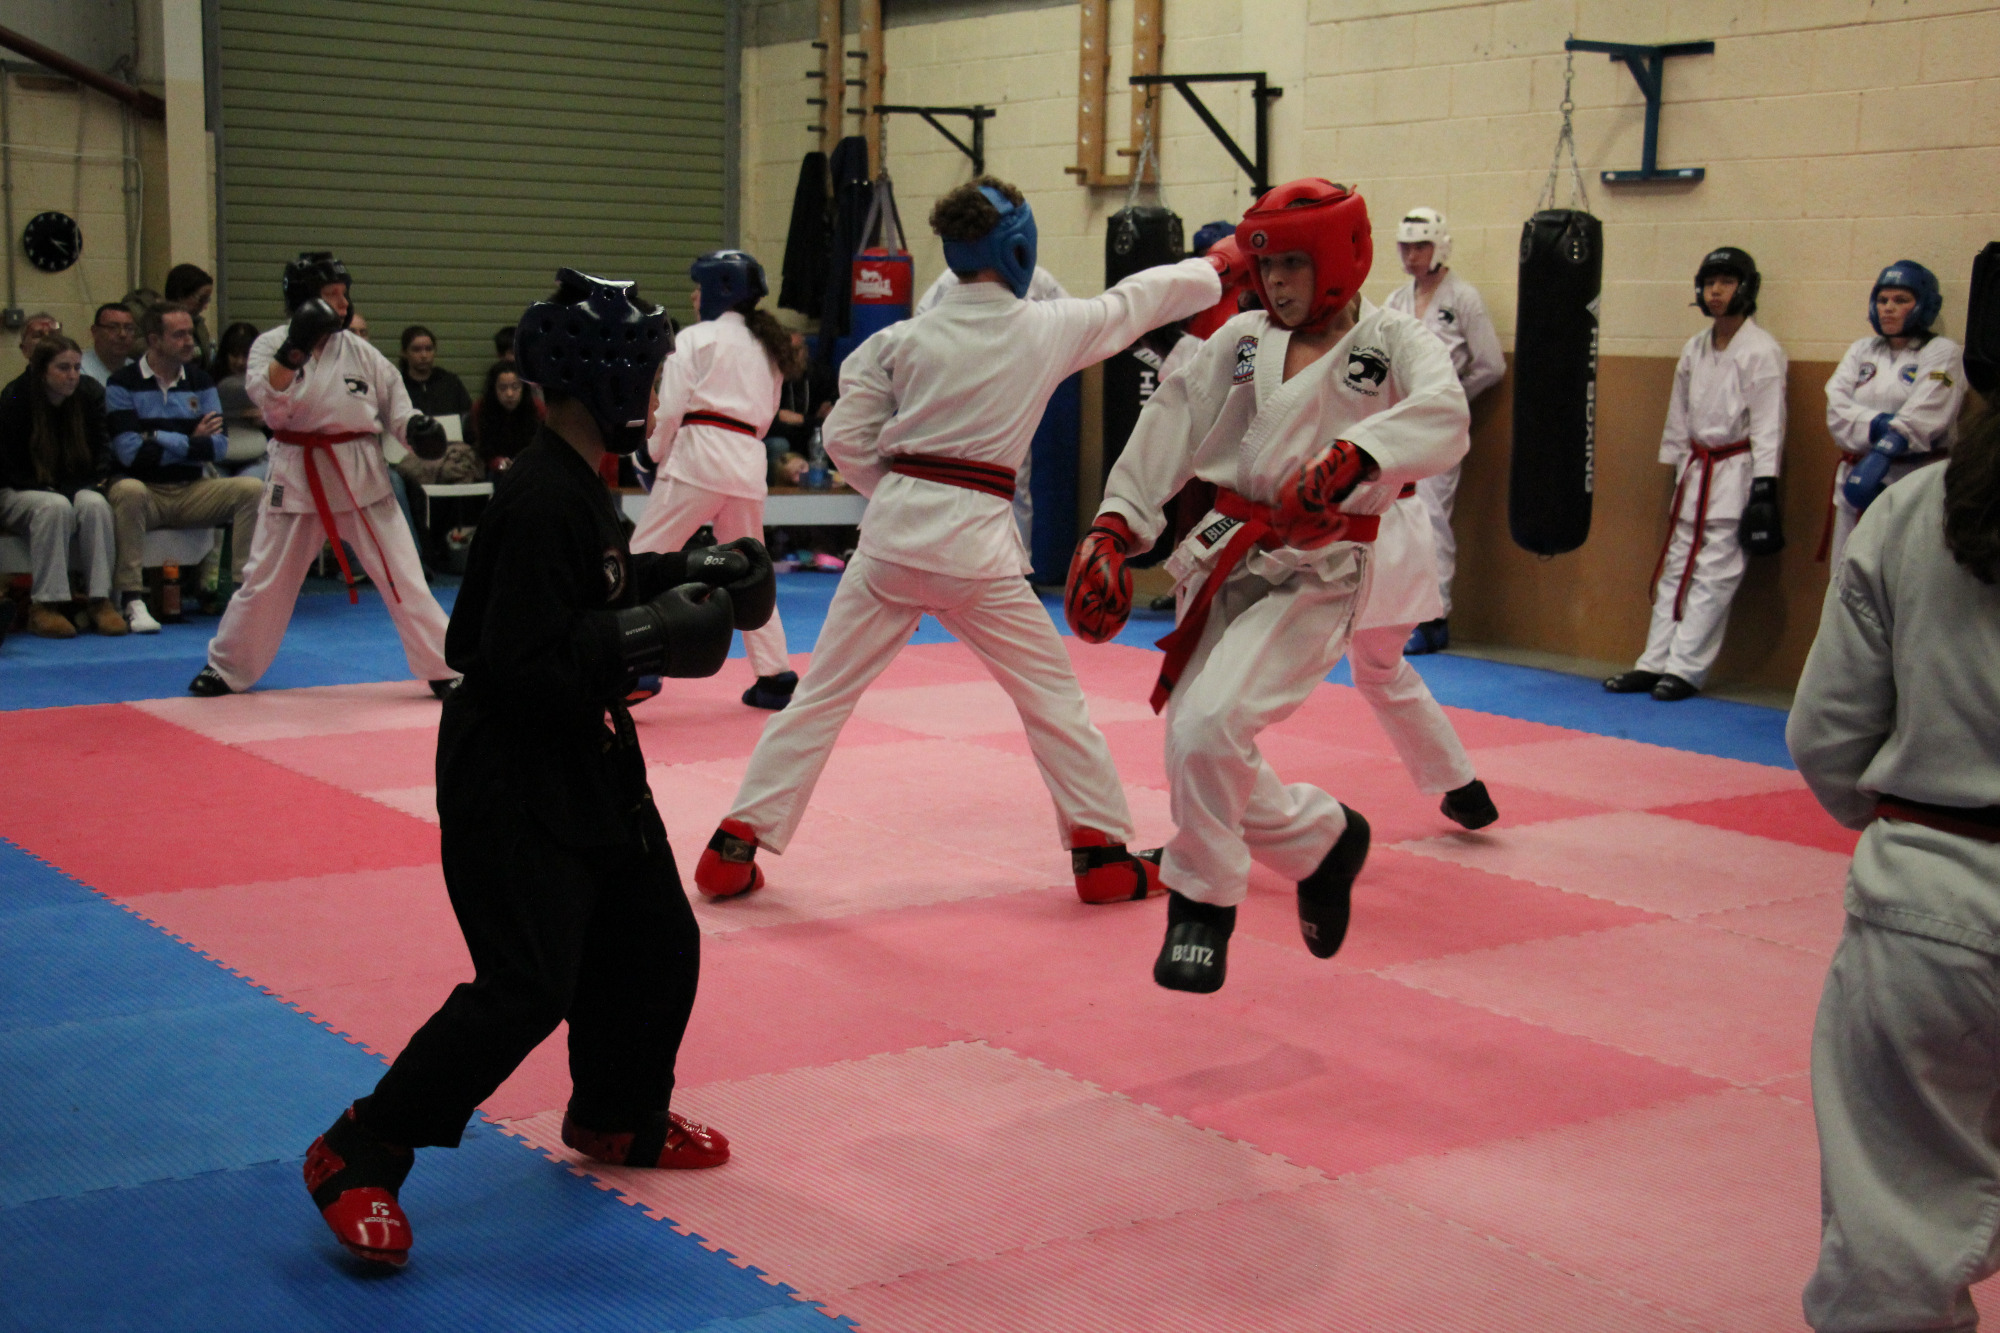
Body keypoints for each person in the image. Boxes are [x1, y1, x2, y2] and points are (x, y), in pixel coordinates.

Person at [302, 269, 771, 1271]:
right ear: (604, 379)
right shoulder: (538, 494)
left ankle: (614, 1113)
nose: (656, 395)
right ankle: (361, 1147)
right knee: (526, 984)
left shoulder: (580, 479)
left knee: (655, 939)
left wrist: (688, 572)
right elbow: (503, 657)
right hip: (513, 769)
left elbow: (597, 585)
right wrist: (646, 632)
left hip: (587, 750)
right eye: (648, 377)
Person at [690, 177, 1224, 907]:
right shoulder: (1044, 327)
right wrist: (1217, 267)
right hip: (977, 553)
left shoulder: (896, 341)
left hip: (889, 545)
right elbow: (1137, 301)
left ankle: (733, 844)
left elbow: (843, 439)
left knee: (818, 697)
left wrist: (902, 492)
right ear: (1018, 248)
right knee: (1052, 700)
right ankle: (1100, 851)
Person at [1072, 179, 1469, 994]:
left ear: (1340, 260)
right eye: (1268, 267)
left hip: (1319, 569)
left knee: (1209, 726)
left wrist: (1362, 453)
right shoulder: (1243, 339)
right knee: (1195, 742)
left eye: (1294, 264)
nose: (1277, 282)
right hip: (1225, 550)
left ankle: (1203, 903)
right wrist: (1117, 524)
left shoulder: (1394, 340)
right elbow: (1171, 415)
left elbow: (1446, 414)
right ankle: (1322, 840)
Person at [1787, 406, 2000, 1333]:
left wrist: (1900, 829)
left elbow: (1826, 732)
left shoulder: (1917, 508)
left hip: (1933, 899)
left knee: (1895, 1245)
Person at [190, 252, 454, 696]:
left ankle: (445, 667)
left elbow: (397, 409)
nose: (344, 304)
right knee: (264, 581)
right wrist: (295, 347)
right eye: (333, 295)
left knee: (405, 576)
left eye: (345, 294)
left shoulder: (362, 353)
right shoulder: (270, 346)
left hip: (360, 477)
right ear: (306, 300)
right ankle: (227, 666)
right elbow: (268, 399)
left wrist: (417, 431)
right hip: (297, 475)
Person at [1604, 248, 1788, 702]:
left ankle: (1686, 668)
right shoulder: (1694, 347)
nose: (1716, 291)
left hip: (1736, 471)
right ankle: (1653, 661)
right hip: (1696, 469)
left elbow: (1769, 422)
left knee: (1714, 575)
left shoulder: (1762, 351)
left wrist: (1766, 485)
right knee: (1676, 569)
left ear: (1746, 288)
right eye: (1709, 283)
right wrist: (1676, 468)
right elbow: (1678, 416)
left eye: (1726, 282)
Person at [629, 250, 805, 709]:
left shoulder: (696, 338)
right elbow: (768, 414)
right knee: (751, 572)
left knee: (641, 559)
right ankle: (775, 675)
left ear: (719, 289)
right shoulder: (768, 347)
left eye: (699, 287)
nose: (694, 296)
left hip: (698, 460)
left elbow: (670, 408)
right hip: (747, 462)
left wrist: (649, 454)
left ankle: (634, 666)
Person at [1382, 207, 1503, 655]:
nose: (1412, 255)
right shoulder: (1396, 300)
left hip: (1439, 424)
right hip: (1399, 421)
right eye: (1406, 246)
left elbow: (1491, 364)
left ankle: (1435, 618)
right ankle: (1398, 614)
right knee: (1396, 517)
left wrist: (1450, 398)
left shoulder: (1463, 298)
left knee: (1432, 517)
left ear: (1440, 247)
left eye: (1421, 247)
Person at [105, 303, 265, 633]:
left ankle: (243, 592)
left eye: (190, 333)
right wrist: (191, 441)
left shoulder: (200, 381)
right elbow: (131, 455)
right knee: (128, 489)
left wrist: (158, 436)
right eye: (179, 335)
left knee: (251, 489)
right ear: (154, 340)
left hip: (192, 491)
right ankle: (132, 598)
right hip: (147, 492)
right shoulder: (122, 383)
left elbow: (218, 447)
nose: (190, 341)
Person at [916, 259, 1071, 556]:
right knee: (959, 485)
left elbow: (1069, 316)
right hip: (962, 392)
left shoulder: (1035, 278)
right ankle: (955, 563)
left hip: (1013, 391)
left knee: (1014, 485)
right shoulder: (953, 278)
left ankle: (1017, 567)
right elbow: (921, 322)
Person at [1823, 260, 1967, 570]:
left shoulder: (1941, 351)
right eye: (1882, 299)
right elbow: (1836, 407)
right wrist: (1878, 425)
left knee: (1907, 568)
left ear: (1924, 305)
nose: (1888, 308)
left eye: (1901, 300)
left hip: (1916, 476)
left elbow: (1928, 408)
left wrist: (1889, 445)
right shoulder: (1862, 350)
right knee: (1847, 567)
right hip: (1856, 474)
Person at [0, 335, 122, 637]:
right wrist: (52, 489)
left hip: (74, 485)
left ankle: (100, 600)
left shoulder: (91, 393)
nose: (72, 375)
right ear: (42, 370)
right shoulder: (14, 396)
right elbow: (8, 463)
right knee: (53, 507)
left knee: (96, 505)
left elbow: (103, 450)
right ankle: (45, 605)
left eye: (77, 367)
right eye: (63, 368)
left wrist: (92, 485)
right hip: (18, 487)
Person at [471, 360, 541, 476]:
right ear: (494, 389)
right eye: (503, 388)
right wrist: (499, 464)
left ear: (523, 388)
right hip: (493, 470)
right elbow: (482, 448)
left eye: (515, 387)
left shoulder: (537, 408)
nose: (509, 394)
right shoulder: (481, 409)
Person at [399, 326, 475, 421]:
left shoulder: (450, 383)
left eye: (429, 349)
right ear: (404, 353)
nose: (424, 355)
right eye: (416, 350)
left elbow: (467, 416)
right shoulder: (398, 385)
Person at [163, 263, 217, 366]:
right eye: (201, 299)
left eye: (207, 300)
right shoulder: (159, 325)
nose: (205, 306)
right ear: (180, 295)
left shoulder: (199, 325)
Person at [82, 303, 136, 385]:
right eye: (113, 327)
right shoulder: (78, 370)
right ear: (95, 331)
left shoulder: (137, 371)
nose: (123, 334)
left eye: (129, 328)